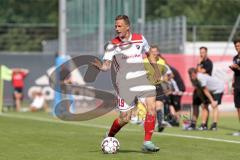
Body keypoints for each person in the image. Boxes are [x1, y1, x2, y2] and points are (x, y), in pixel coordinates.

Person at [92, 15, 159, 152]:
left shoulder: (140, 39)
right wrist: (101, 67)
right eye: (115, 26)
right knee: (125, 118)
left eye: (119, 26)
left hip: (142, 79)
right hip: (124, 84)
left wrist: (156, 70)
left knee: (151, 107)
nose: (116, 29)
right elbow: (106, 65)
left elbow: (149, 54)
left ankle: (147, 142)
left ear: (127, 27)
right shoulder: (112, 45)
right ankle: (110, 136)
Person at [143, 45, 171, 132]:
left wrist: (164, 80)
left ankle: (160, 124)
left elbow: (167, 75)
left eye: (156, 51)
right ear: (150, 52)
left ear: (158, 52)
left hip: (158, 87)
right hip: (148, 86)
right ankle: (150, 126)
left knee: (159, 106)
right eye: (152, 51)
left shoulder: (162, 62)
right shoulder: (144, 61)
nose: (154, 53)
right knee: (151, 108)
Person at [188, 47, 213, 130]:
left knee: (205, 106)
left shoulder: (209, 63)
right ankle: (193, 124)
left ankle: (204, 124)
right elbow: (196, 74)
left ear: (206, 53)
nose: (201, 54)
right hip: (198, 88)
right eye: (200, 52)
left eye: (203, 52)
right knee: (195, 105)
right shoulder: (200, 63)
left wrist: (198, 64)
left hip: (205, 88)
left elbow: (200, 72)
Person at [229, 39, 240, 135]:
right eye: (236, 46)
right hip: (237, 85)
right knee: (238, 108)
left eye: (239, 46)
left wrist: (238, 68)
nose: (237, 48)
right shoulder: (235, 57)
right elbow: (235, 73)